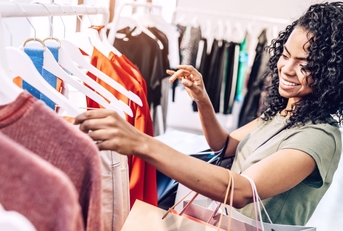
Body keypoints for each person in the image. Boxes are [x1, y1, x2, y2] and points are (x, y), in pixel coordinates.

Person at [74, 1, 343, 226]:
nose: (286, 68)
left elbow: (241, 190)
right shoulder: (283, 112)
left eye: (304, 64)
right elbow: (224, 146)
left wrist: (141, 143)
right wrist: (203, 99)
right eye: (285, 55)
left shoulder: (319, 136)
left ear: (332, 73)